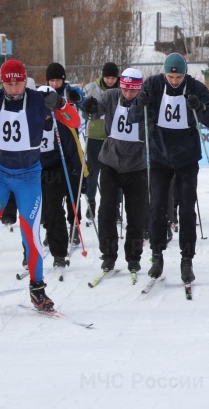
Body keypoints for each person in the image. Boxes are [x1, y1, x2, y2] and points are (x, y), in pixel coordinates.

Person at [0, 58, 79, 311]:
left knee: (30, 235)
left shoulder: (38, 100)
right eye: (9, 84)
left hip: (28, 177)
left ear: (25, 81)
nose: (14, 88)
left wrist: (61, 104)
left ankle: (37, 288)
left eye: (19, 83)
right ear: (2, 83)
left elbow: (73, 121)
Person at [135, 52, 209, 284]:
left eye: (178, 77)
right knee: (157, 207)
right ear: (164, 73)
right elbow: (134, 115)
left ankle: (187, 259)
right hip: (160, 156)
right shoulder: (152, 84)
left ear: (185, 74)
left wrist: (200, 108)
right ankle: (157, 255)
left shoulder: (195, 87)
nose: (174, 81)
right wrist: (139, 103)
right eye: (170, 77)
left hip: (186, 158)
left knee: (186, 210)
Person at [96, 68, 147, 274]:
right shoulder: (111, 96)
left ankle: (133, 257)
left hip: (136, 165)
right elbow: (93, 109)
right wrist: (88, 106)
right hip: (110, 162)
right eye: (125, 89)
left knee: (136, 214)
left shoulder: (144, 100)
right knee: (106, 211)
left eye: (133, 91)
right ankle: (108, 255)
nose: (128, 95)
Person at [38, 85, 84, 269]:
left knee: (54, 209)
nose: (46, 113)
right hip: (32, 168)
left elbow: (71, 146)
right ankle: (30, 252)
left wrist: (76, 169)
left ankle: (59, 252)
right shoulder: (29, 119)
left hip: (54, 168)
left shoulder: (60, 121)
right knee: (32, 213)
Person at [45, 62, 87, 241]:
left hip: (70, 145)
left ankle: (74, 225)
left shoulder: (70, 92)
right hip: (51, 148)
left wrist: (78, 98)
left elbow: (83, 100)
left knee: (73, 188)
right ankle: (51, 228)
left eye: (58, 80)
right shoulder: (43, 94)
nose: (55, 84)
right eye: (52, 80)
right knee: (51, 193)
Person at [80, 62, 120, 222]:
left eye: (113, 78)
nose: (110, 81)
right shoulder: (91, 89)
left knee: (115, 174)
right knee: (93, 172)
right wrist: (87, 108)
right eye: (107, 77)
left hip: (114, 136)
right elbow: (83, 113)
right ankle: (91, 203)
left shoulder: (121, 90)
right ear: (102, 76)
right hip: (95, 135)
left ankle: (115, 207)